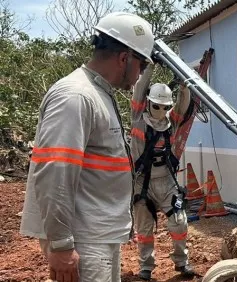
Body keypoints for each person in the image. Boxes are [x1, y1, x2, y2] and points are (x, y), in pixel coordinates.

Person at [19, 12, 155, 282]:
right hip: (82, 241)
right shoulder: (76, 96)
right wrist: (61, 245)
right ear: (124, 58)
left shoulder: (98, 93)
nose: (139, 75)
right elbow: (55, 171)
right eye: (140, 65)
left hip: (96, 236)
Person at [129, 64, 199, 280]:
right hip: (142, 183)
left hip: (167, 182)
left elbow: (182, 106)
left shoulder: (171, 122)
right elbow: (140, 87)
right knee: (144, 230)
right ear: (149, 103)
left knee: (179, 222)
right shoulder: (138, 118)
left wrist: (184, 87)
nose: (160, 112)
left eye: (164, 107)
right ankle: (146, 267)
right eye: (156, 106)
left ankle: (181, 262)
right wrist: (149, 66)